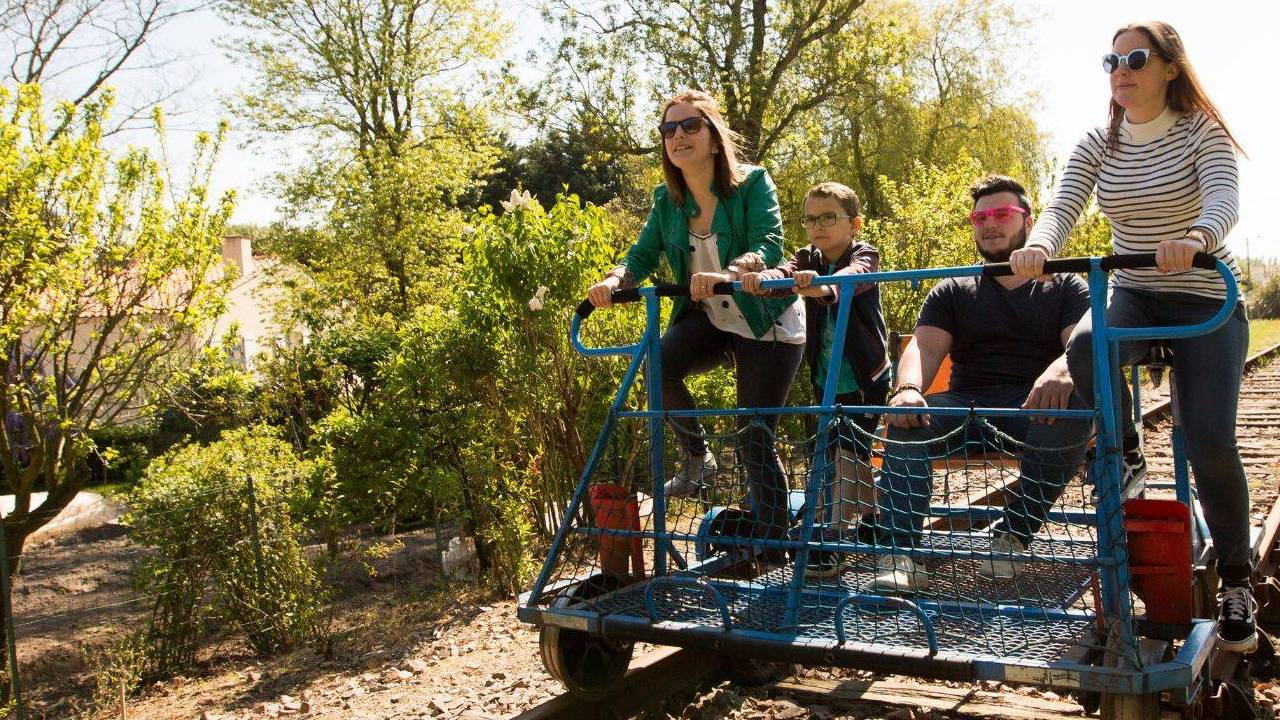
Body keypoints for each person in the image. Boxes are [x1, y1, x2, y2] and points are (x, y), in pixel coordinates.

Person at [1008, 21, 1255, 652]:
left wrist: (1196, 239)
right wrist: (1040, 244)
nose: (1120, 70)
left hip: (1204, 294)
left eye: (1135, 58)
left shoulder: (1203, 130)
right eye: (1110, 60)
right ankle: (1124, 451)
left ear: (1170, 67)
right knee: (1089, 344)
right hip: (1136, 291)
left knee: (1209, 441)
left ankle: (1236, 577)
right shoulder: (1100, 139)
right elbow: (1065, 204)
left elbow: (1224, 198)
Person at [586, 90, 804, 563]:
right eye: (669, 129)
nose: (678, 136)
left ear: (713, 135)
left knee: (753, 435)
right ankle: (697, 457)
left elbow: (769, 240)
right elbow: (642, 254)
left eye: (690, 126)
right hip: (713, 316)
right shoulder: (668, 199)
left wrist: (733, 270)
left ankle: (774, 548)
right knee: (659, 363)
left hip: (766, 318)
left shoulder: (752, 183)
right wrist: (615, 279)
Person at [871, 175, 1092, 593]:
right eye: (981, 216)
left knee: (1075, 412)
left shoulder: (1065, 286)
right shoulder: (953, 289)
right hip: (966, 407)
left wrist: (1064, 367)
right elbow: (923, 347)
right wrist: (907, 389)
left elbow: (1080, 347)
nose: (990, 224)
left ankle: (1012, 535)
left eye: (1002, 214)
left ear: (1028, 222)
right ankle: (898, 554)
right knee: (904, 420)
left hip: (1031, 408)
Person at [741, 182, 889, 578]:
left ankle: (835, 539)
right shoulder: (809, 256)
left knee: (843, 455)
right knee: (850, 455)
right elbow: (787, 273)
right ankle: (875, 518)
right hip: (827, 375)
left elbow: (853, 279)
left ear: (853, 224)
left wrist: (819, 284)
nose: (817, 226)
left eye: (828, 218)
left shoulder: (864, 254)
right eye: (810, 219)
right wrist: (764, 278)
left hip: (864, 376)